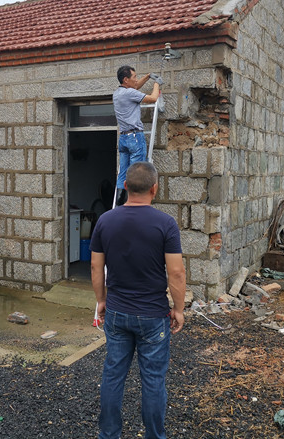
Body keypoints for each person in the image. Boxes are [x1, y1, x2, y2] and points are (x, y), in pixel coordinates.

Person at [90, 161, 186, 439]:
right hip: (153, 315)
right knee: (153, 380)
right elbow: (176, 272)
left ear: (125, 186)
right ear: (154, 188)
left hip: (117, 312)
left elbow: (96, 267)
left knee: (113, 375)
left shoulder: (105, 220)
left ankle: (109, 435)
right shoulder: (166, 224)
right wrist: (179, 309)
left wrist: (101, 300)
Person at [113, 65, 161, 205]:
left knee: (123, 174)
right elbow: (153, 98)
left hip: (123, 138)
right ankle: (132, 206)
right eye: (134, 77)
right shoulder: (129, 93)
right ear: (126, 79)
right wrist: (157, 84)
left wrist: (147, 76)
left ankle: (120, 205)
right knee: (136, 175)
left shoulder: (117, 93)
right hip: (135, 138)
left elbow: (135, 87)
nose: (136, 79)